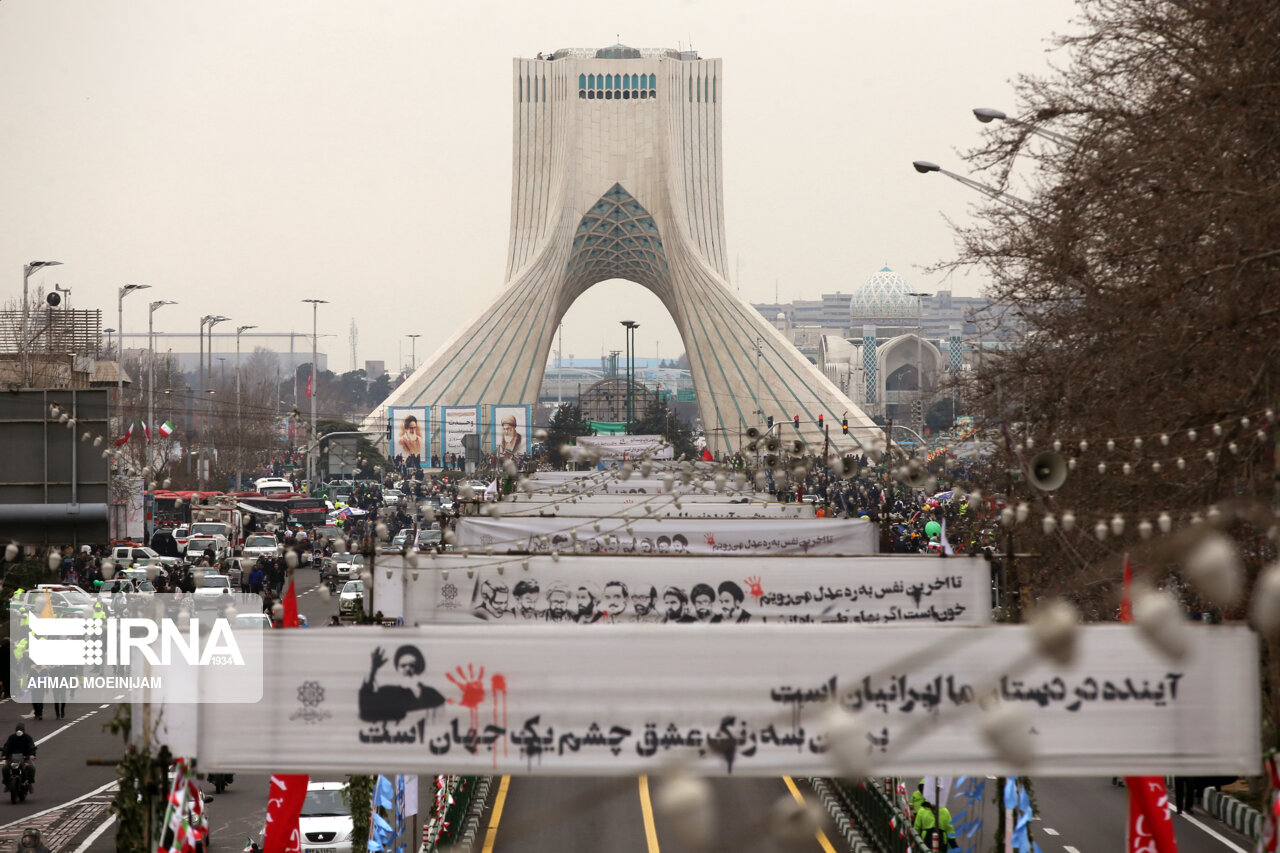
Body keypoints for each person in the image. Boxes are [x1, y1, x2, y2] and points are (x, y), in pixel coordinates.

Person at [3, 724, 36, 791]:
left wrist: (32, 755)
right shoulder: (11, 738)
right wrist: (4, 755)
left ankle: (29, 782)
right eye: (18, 730)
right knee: (5, 768)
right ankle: (7, 783)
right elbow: (6, 747)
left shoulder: (28, 738)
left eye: (21, 730)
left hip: (25, 758)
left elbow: (31, 746)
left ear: (24, 731)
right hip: (12, 758)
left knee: (31, 768)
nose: (19, 732)